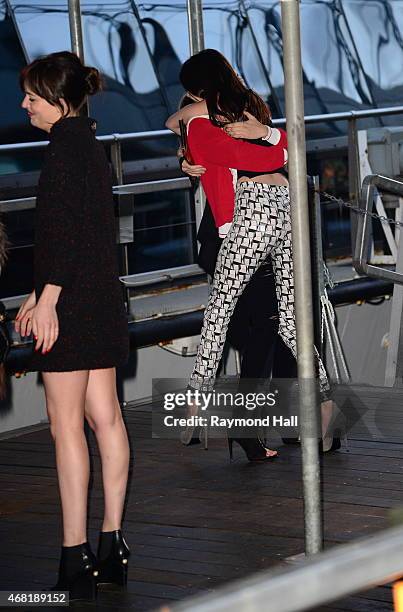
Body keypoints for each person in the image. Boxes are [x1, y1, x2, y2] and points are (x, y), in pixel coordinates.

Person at [166, 50, 334, 460]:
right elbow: (277, 148)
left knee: (221, 314)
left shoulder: (208, 116)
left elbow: (190, 130)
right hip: (287, 209)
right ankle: (323, 403)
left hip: (253, 214)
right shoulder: (248, 105)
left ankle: (198, 402)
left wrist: (192, 133)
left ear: (197, 88)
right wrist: (188, 154)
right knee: (289, 322)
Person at [14, 51, 130, 600]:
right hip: (100, 300)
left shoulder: (61, 154)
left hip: (71, 307)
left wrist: (47, 301)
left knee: (65, 427)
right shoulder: (91, 147)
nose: (24, 106)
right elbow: (85, 232)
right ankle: (112, 545)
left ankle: (72, 555)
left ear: (57, 102)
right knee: (106, 418)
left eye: (32, 98)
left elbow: (60, 236)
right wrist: (39, 294)